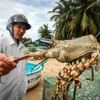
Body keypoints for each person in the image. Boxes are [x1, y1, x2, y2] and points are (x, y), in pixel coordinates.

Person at [0, 14, 31, 100]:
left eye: (24, 28)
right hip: (4, 94)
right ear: (10, 28)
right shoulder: (2, 42)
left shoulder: (23, 47)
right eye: (19, 27)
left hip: (20, 93)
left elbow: (23, 70)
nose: (22, 31)